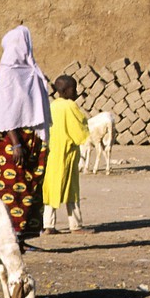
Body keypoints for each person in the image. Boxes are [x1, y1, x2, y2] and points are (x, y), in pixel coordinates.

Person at [0, 25, 51, 249]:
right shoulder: (8, 73)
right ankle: (8, 238)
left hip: (32, 140)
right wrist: (17, 143)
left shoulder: (30, 70)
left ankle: (22, 238)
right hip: (14, 142)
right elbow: (6, 111)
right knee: (13, 188)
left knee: (31, 186)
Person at [41, 75, 89, 234]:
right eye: (74, 89)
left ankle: (48, 225)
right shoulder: (70, 106)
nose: (76, 93)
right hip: (67, 155)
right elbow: (80, 132)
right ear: (67, 90)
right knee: (72, 189)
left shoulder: (52, 106)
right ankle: (75, 225)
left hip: (52, 154)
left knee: (51, 189)